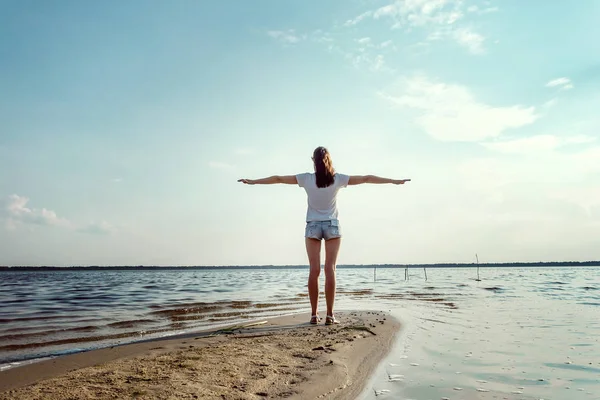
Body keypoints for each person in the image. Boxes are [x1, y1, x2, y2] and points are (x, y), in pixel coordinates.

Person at [238, 146, 410, 325]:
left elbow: (278, 178)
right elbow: (366, 178)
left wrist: (253, 182)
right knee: (330, 269)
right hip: (332, 226)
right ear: (329, 160)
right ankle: (330, 315)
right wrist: (393, 181)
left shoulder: (306, 178)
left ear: (313, 161)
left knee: (314, 270)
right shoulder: (338, 179)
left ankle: (313, 315)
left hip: (312, 226)